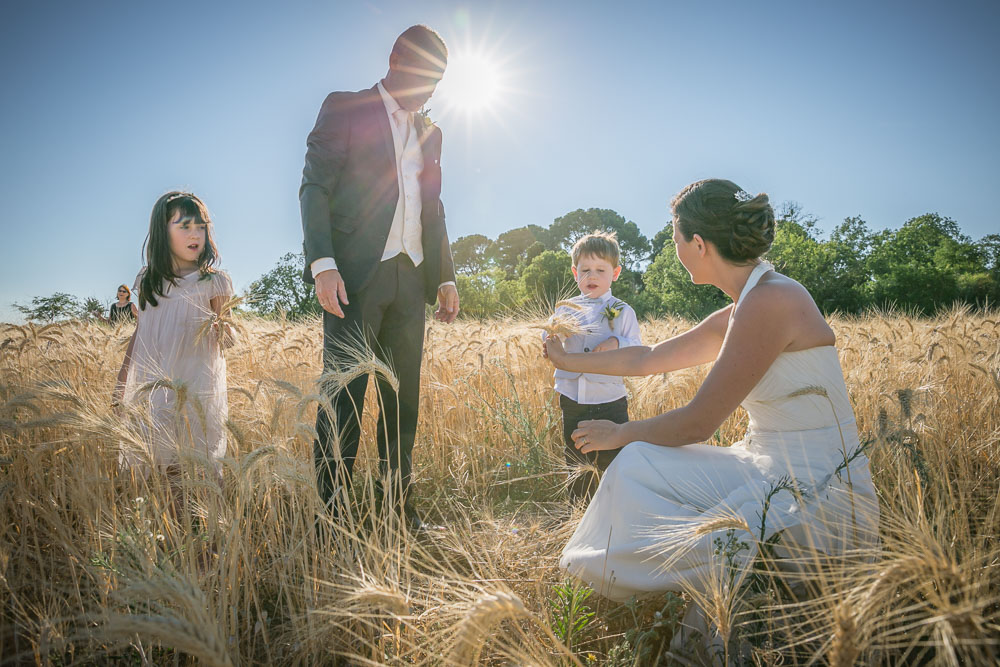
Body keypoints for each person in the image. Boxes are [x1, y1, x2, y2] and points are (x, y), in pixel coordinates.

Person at [545, 179, 879, 606]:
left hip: (814, 489)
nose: (675, 248)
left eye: (676, 239)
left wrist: (619, 432)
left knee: (637, 463)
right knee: (636, 465)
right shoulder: (746, 304)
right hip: (764, 463)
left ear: (699, 244)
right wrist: (568, 361)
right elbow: (647, 359)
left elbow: (700, 422)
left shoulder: (771, 301)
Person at [300, 25, 459, 529]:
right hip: (353, 277)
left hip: (411, 279)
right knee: (343, 398)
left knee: (401, 401)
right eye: (424, 76)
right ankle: (335, 514)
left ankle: (396, 508)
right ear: (395, 59)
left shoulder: (431, 132)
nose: (430, 89)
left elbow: (432, 207)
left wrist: (445, 277)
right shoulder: (345, 108)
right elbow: (314, 187)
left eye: (438, 81)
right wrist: (323, 264)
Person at [114, 191, 235, 471]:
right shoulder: (148, 281)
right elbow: (141, 333)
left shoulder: (214, 282)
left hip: (197, 388)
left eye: (201, 227)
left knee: (197, 465)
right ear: (162, 232)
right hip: (153, 384)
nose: (195, 234)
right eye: (184, 226)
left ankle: (202, 514)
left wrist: (222, 330)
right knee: (158, 464)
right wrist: (123, 379)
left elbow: (227, 335)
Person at [542, 231, 641, 502]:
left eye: (600, 269)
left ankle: (614, 507)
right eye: (585, 270)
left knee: (614, 458)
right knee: (576, 456)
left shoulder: (622, 310)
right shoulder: (564, 310)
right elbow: (548, 335)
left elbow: (637, 347)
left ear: (616, 273)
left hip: (610, 399)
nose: (592, 276)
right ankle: (580, 512)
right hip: (572, 398)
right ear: (575, 273)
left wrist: (616, 342)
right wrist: (549, 342)